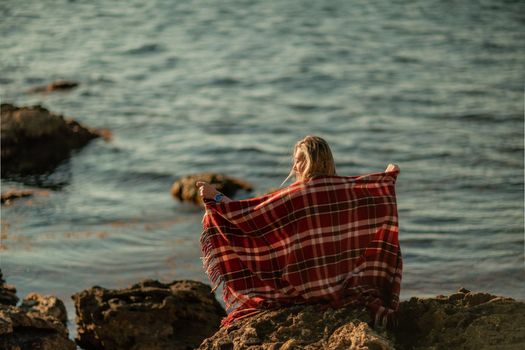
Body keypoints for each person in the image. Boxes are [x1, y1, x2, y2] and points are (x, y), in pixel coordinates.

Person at [196, 135, 402, 328]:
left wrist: (217, 199)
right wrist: (387, 178)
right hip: (344, 287)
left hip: (304, 291)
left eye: (299, 160)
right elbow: (376, 202)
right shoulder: (347, 190)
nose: (294, 166)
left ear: (312, 161)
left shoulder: (297, 195)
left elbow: (250, 218)